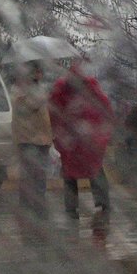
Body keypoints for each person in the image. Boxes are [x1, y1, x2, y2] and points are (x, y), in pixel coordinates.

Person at [48, 57, 113, 218]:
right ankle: (101, 203)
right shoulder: (88, 88)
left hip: (76, 141)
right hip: (81, 141)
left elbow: (54, 114)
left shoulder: (62, 89)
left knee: (73, 173)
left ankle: (73, 206)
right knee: (92, 170)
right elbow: (105, 110)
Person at [11, 61, 54, 218]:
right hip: (30, 139)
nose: (39, 75)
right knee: (32, 173)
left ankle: (33, 202)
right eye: (37, 72)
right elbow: (33, 105)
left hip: (40, 139)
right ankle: (32, 203)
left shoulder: (33, 90)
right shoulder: (23, 91)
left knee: (37, 172)